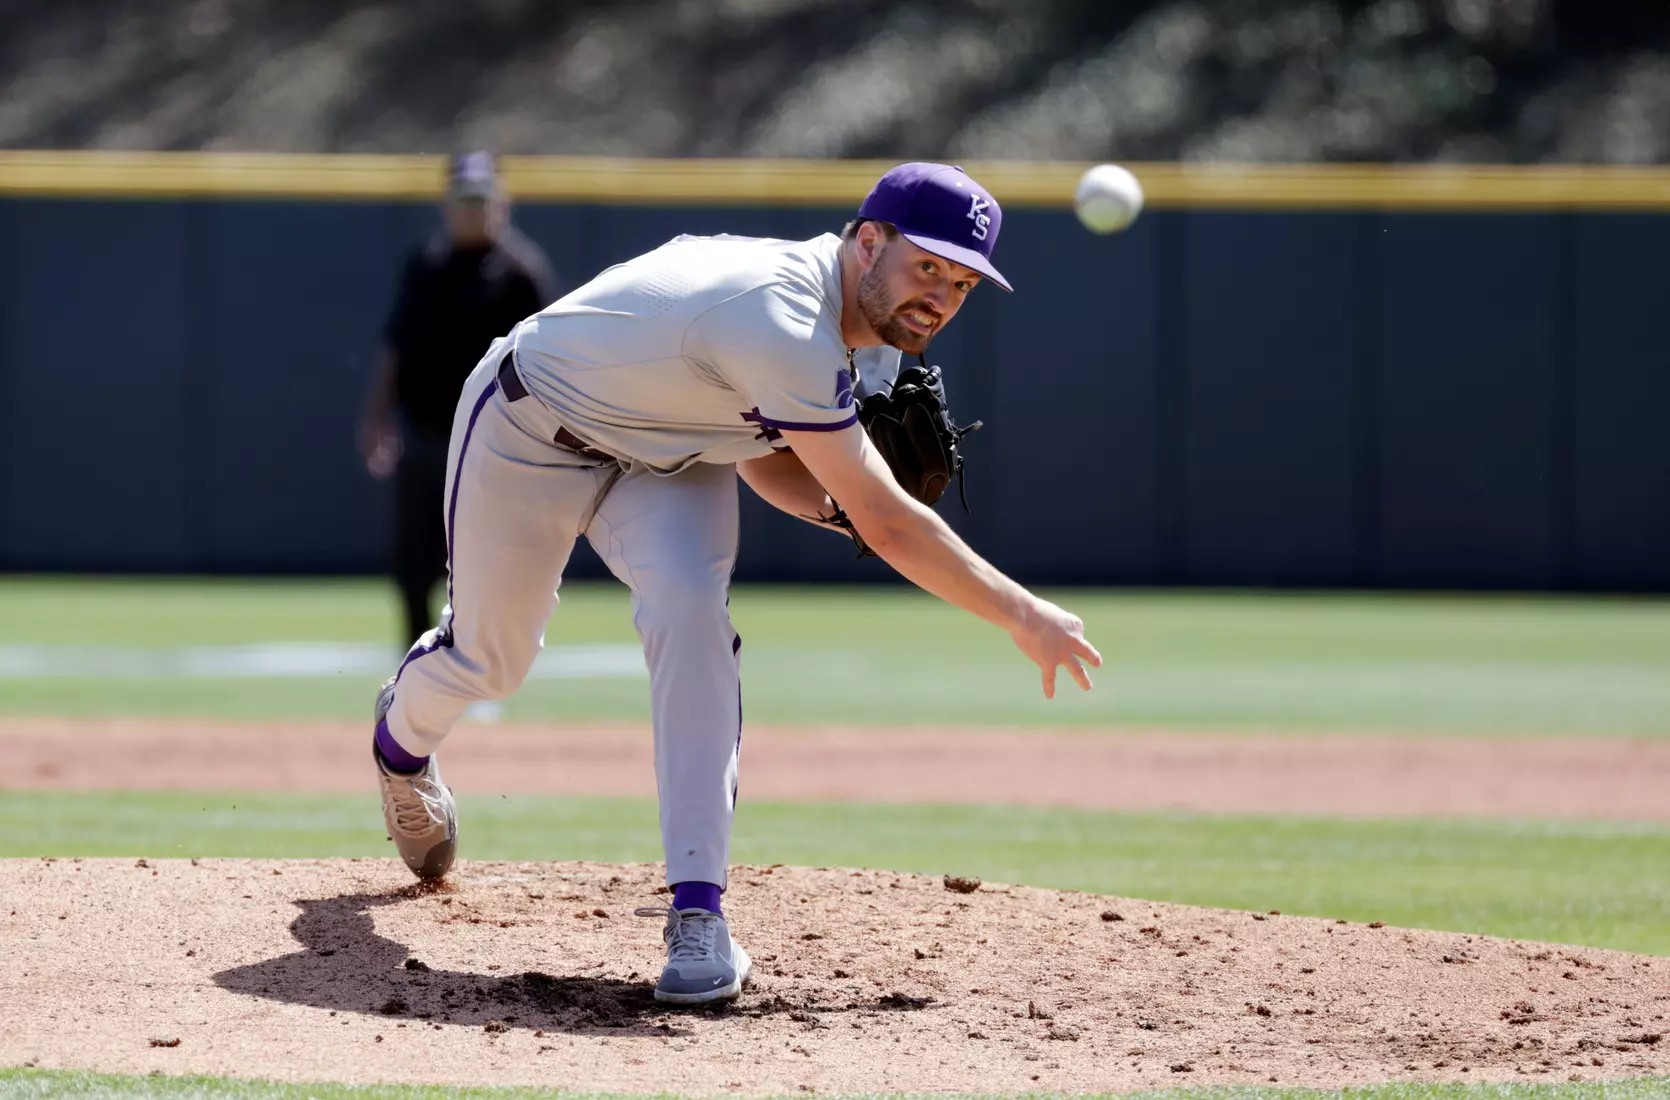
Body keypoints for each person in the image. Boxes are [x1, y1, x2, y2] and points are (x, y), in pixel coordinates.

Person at [370, 162, 1102, 1006]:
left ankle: (697, 913)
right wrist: (1021, 612)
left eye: (962, 283)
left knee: (692, 618)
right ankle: (400, 746)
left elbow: (763, 461)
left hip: (674, 458)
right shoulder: (782, 315)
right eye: (927, 266)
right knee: (490, 660)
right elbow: (892, 525)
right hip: (532, 424)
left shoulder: (858, 342)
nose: (940, 296)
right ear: (868, 242)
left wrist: (845, 510)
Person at [360, 151, 557, 645]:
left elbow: (547, 361)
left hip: (493, 442)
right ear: (446, 204)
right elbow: (398, 345)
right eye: (464, 199)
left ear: (501, 203)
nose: (473, 210)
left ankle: (479, 658)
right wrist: (377, 414)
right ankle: (415, 664)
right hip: (426, 435)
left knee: (484, 562)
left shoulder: (520, 272)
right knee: (413, 563)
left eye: (481, 199)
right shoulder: (426, 265)